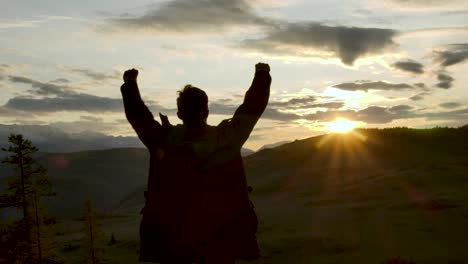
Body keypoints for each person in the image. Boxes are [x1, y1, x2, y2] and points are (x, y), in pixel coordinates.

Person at [120, 63, 271, 264]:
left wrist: (130, 84)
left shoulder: (164, 140)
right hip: (221, 237)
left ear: (179, 113)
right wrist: (261, 75)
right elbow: (252, 109)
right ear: (206, 111)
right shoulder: (227, 138)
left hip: (172, 238)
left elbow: (139, 117)